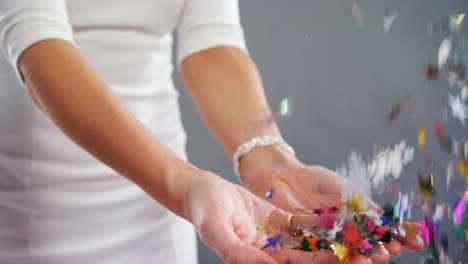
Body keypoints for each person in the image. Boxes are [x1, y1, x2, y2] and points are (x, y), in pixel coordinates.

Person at [0, 1, 423, 263]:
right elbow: (37, 40)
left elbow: (212, 41)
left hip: (162, 210)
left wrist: (273, 163)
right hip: (44, 203)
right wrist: (184, 185)